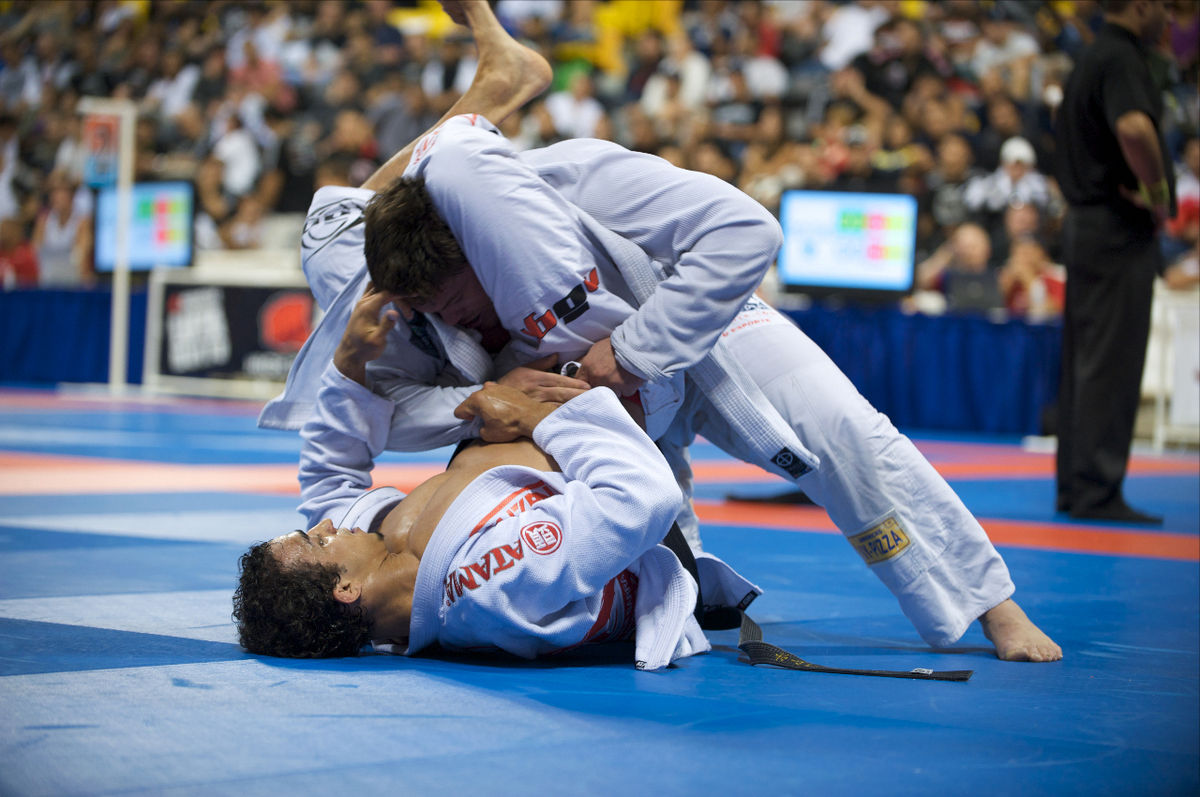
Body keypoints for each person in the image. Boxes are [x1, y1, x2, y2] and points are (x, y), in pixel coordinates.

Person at [262, 3, 1060, 663]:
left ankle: (991, 605)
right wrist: (415, 384)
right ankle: (497, 89)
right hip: (588, 413)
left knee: (848, 433)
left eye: (460, 299)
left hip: (690, 329)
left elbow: (746, 234)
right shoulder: (400, 304)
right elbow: (391, 421)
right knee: (328, 230)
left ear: (476, 248)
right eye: (435, 308)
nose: (458, 318)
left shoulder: (574, 179)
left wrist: (633, 351)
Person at [236, 286, 758, 667]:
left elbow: (330, 476)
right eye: (315, 540)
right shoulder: (487, 586)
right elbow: (643, 498)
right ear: (346, 588)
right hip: (631, 456)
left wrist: (349, 366)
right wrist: (538, 419)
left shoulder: (377, 541)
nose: (323, 526)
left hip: (563, 420)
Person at [1053, 0, 1174, 524]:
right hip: (1117, 225)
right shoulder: (1123, 57)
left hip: (1084, 224)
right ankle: (1098, 490)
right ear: (1143, 5)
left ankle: (1076, 487)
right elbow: (1134, 128)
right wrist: (1159, 193)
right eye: (1167, 8)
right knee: (1112, 359)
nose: (1171, 21)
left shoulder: (1089, 55)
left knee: (1085, 360)